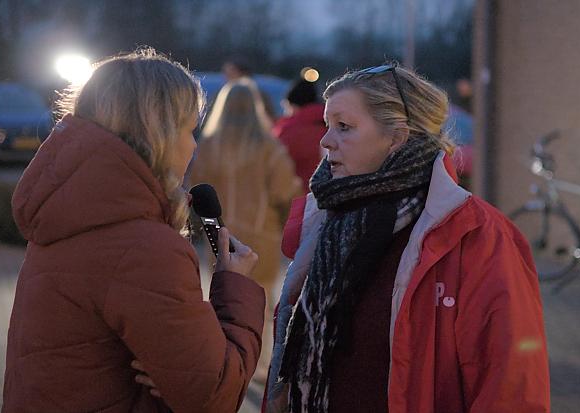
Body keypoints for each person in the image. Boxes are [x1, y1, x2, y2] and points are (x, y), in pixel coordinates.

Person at [264, 63, 550, 413]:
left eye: (344, 127)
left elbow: (512, 386)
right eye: (327, 125)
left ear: (397, 137)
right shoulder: (324, 219)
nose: (325, 140)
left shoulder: (478, 236)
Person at [3, 48, 265, 413]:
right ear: (160, 131)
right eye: (190, 130)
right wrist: (234, 287)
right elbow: (213, 397)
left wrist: (170, 368)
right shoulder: (144, 247)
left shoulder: (68, 212)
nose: (193, 145)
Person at [189, 79, 302, 380]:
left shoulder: (208, 146)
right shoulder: (269, 146)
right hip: (261, 235)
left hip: (218, 237)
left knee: (220, 299)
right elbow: (285, 190)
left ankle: (220, 362)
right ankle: (259, 365)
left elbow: (195, 188)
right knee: (260, 302)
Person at [273, 77, 327, 188]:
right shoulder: (330, 124)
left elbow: (274, 167)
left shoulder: (289, 131)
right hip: (328, 193)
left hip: (298, 198)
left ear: (292, 104)